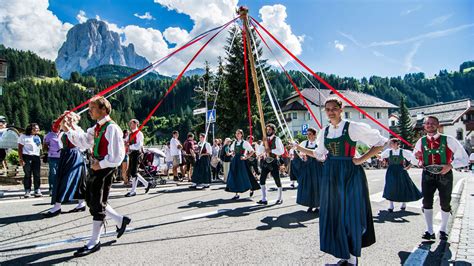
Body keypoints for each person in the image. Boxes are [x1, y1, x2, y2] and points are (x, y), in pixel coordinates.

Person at [294, 98, 387, 265]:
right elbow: (320, 155)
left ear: (341, 109)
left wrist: (362, 159)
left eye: (334, 108)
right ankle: (345, 257)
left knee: (350, 214)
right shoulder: (325, 131)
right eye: (328, 109)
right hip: (331, 173)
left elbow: (381, 142)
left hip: (350, 173)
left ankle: (352, 260)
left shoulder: (352, 127)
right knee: (335, 214)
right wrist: (300, 149)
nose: (331, 112)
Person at [63, 96, 131, 257]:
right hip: (97, 167)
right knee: (92, 199)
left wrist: (100, 164)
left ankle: (94, 241)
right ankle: (121, 220)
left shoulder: (112, 128)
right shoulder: (97, 128)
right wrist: (70, 128)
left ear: (103, 109)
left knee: (97, 204)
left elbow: (117, 156)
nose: (89, 111)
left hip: (104, 168)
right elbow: (84, 142)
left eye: (92, 107)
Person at [413, 116, 469, 241]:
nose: (430, 125)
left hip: (445, 175)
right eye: (427, 123)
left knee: (445, 202)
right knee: (426, 202)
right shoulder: (420, 142)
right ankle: (430, 231)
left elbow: (464, 158)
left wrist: (450, 165)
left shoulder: (449, 140)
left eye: (433, 123)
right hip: (427, 174)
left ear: (438, 125)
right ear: (424, 126)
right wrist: (418, 158)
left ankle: (443, 229)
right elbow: (414, 158)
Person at [43, 119, 87, 217]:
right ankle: (81, 203)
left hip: (73, 155)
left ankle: (57, 205)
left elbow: (82, 144)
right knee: (77, 179)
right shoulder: (62, 132)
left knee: (65, 179)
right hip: (66, 154)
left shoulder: (77, 130)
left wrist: (71, 127)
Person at [381, 138, 422, 212]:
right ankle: (391, 205)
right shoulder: (388, 152)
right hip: (391, 171)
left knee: (403, 186)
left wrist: (408, 167)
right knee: (391, 186)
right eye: (390, 143)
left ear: (397, 144)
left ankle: (403, 203)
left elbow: (413, 159)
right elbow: (381, 157)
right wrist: (374, 153)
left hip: (400, 170)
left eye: (392, 143)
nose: (390, 145)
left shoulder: (403, 151)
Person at [225, 129, 260, 199]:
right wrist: (230, 154)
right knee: (235, 176)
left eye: (238, 133)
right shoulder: (234, 143)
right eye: (236, 133)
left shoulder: (245, 143)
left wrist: (246, 157)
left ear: (241, 135)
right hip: (235, 161)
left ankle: (251, 188)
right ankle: (236, 194)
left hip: (242, 161)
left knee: (246, 175)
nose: (237, 135)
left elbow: (252, 151)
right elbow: (233, 152)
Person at [295, 127, 323, 213]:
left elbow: (322, 154)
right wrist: (302, 156)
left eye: (310, 134)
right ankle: (310, 204)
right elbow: (300, 153)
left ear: (315, 135)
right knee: (309, 186)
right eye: (307, 134)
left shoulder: (319, 143)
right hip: (307, 167)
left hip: (317, 167)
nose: (308, 136)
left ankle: (318, 206)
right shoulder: (304, 143)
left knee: (317, 186)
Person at [257, 123, 285, 205]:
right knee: (262, 180)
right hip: (266, 161)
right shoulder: (265, 140)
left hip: (274, 161)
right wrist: (263, 144)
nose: (268, 131)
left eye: (270, 129)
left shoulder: (277, 139)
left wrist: (271, 151)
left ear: (273, 130)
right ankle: (264, 198)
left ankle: (280, 198)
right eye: (267, 130)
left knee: (277, 179)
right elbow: (259, 152)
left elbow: (281, 151)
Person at [125, 119, 152, 197]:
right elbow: (125, 141)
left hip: (138, 153)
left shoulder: (139, 133)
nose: (130, 125)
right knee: (133, 172)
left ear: (136, 124)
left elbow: (138, 145)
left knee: (133, 172)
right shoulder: (130, 134)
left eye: (132, 124)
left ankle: (133, 191)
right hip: (132, 153)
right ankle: (147, 184)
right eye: (130, 124)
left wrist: (129, 146)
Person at [18, 123, 42, 198]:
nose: (37, 130)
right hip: (27, 156)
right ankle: (27, 190)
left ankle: (37, 189)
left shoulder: (38, 137)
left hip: (36, 157)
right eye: (36, 128)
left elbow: (39, 147)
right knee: (28, 174)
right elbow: (20, 148)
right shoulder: (23, 136)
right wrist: (21, 159)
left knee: (37, 174)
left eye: (38, 128)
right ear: (31, 129)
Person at [43, 123, 62, 196]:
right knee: (53, 173)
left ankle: (59, 188)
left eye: (58, 126)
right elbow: (45, 145)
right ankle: (52, 189)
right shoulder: (49, 135)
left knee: (61, 173)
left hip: (62, 156)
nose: (57, 127)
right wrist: (46, 153)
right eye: (55, 126)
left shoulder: (62, 134)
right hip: (53, 156)